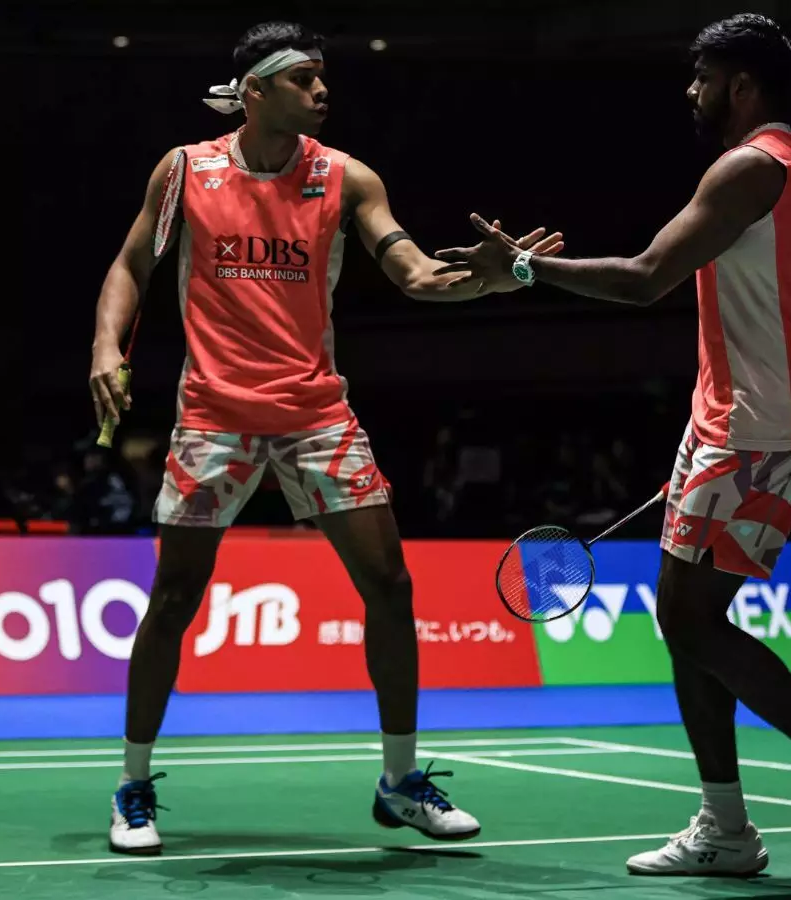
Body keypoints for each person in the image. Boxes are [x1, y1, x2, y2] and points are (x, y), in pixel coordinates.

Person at [434, 13, 791, 881]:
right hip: (732, 416)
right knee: (683, 620)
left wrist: (524, 272)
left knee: (689, 618)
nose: (691, 91)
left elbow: (648, 276)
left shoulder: (751, 167)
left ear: (742, 85)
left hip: (760, 423)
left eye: (702, 76)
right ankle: (725, 827)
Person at [87, 21, 563, 856]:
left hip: (315, 413)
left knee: (390, 583)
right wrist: (105, 348)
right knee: (175, 599)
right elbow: (132, 265)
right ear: (255, 90)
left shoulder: (346, 178)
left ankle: (400, 782)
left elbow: (415, 274)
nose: (321, 90)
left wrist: (490, 280)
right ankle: (132, 786)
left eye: (322, 77)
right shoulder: (186, 169)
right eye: (303, 78)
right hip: (215, 412)